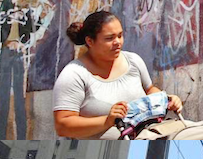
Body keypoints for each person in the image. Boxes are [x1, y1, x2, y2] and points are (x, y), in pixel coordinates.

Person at [52, 11, 183, 139]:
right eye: (109, 38)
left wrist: (166, 99)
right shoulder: (73, 75)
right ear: (90, 41)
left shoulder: (133, 60)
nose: (118, 42)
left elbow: (149, 90)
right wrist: (107, 121)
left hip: (151, 133)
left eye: (120, 36)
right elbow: (63, 126)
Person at [0, 0, 46, 139]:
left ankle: (21, 136)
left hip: (19, 51)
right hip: (6, 50)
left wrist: (33, 12)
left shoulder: (28, 3)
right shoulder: (6, 2)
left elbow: (35, 27)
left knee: (20, 95)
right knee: (3, 93)